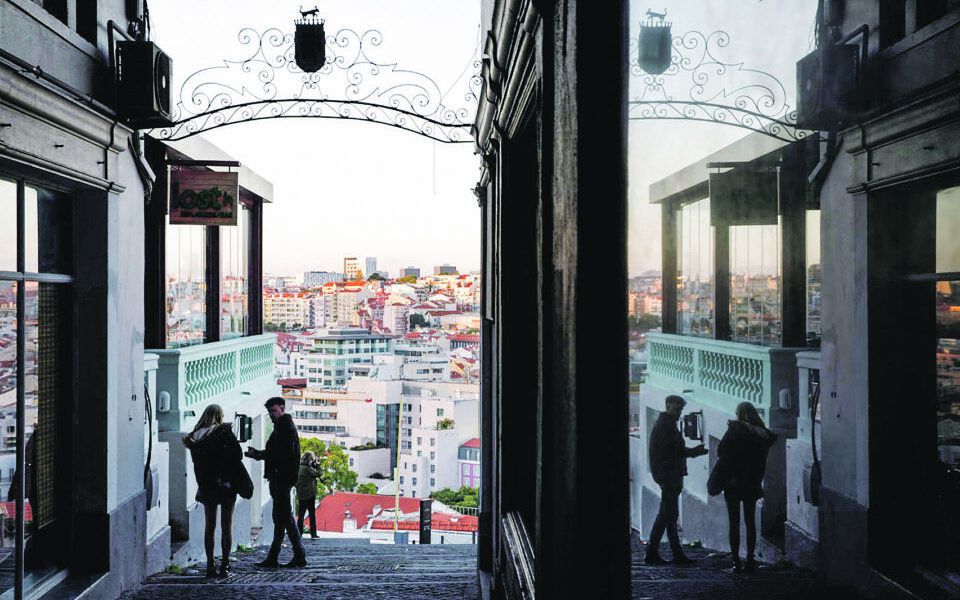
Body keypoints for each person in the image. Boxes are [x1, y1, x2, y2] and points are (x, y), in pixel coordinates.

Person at [645, 394, 708, 565]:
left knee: (670, 515)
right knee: (666, 515)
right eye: (677, 409)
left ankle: (674, 553)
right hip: (668, 475)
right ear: (668, 406)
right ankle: (652, 552)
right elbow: (672, 452)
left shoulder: (667, 424)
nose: (679, 413)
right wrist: (694, 452)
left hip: (669, 474)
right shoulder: (665, 425)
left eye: (680, 410)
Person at [245, 396, 307, 568]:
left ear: (282, 408)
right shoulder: (282, 426)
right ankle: (275, 556)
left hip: (282, 479)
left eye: (273, 410)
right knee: (280, 518)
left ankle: (298, 554)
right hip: (281, 478)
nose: (271, 414)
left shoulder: (285, 427)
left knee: (284, 516)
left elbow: (280, 455)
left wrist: (258, 454)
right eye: (269, 411)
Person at [183, 404, 243, 578]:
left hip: (207, 486)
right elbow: (237, 455)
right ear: (220, 416)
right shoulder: (224, 433)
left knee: (210, 526)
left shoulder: (195, 437)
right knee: (226, 526)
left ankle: (210, 565)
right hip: (226, 485)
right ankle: (224, 565)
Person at [717, 401, 777, 573]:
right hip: (752, 482)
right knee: (750, 522)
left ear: (739, 414)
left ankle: (736, 561)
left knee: (734, 522)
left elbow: (721, 451)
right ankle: (750, 560)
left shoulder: (735, 431)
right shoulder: (762, 435)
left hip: (733, 483)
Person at [296, 451, 322, 538]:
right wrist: (318, 466)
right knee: (311, 515)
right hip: (309, 494)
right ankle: (313, 534)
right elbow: (319, 473)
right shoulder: (308, 469)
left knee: (301, 514)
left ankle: (299, 533)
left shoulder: (299, 467)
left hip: (300, 494)